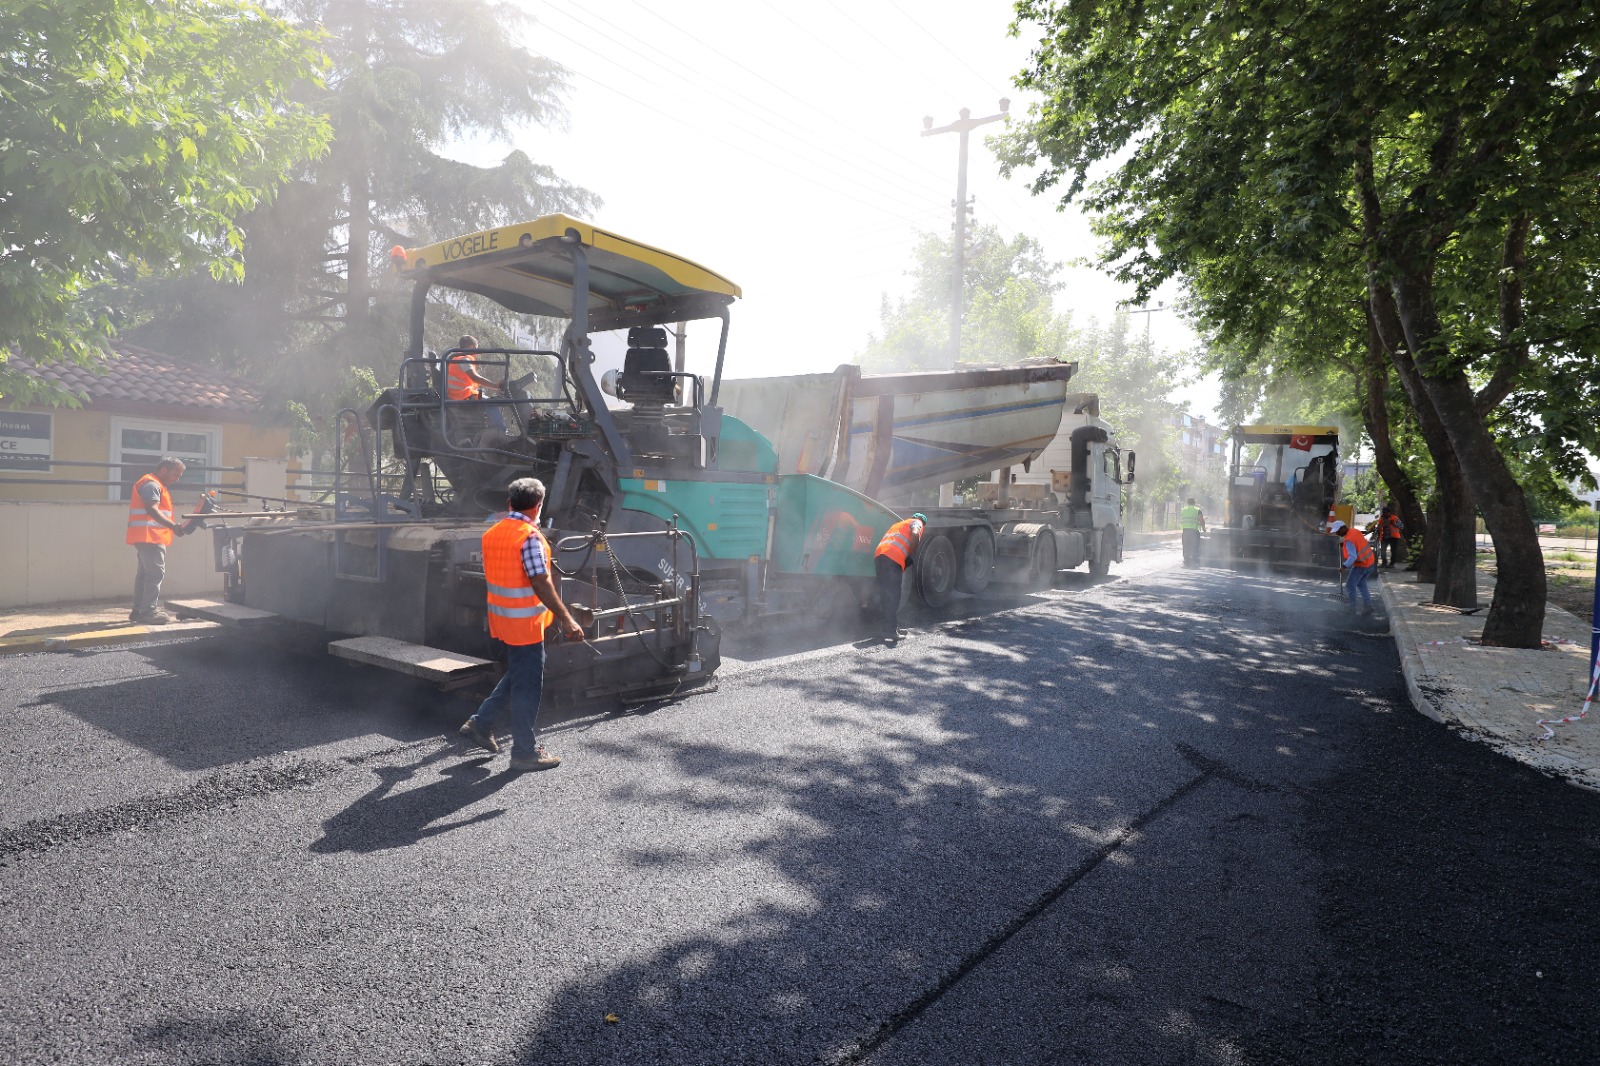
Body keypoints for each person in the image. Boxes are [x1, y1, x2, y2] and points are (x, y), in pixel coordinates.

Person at [457, 477, 587, 771]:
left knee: (521, 672)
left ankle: (481, 723)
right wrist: (568, 619)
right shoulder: (529, 537)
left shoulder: (493, 532)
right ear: (538, 506)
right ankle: (524, 752)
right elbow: (540, 581)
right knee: (528, 685)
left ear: (509, 504)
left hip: (503, 619)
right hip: (525, 623)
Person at [126, 457, 192, 624]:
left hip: (145, 536)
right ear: (164, 469)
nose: (177, 478)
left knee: (144, 575)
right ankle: (148, 612)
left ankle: (138, 611)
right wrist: (173, 526)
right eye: (175, 474)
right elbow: (152, 509)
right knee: (155, 574)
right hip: (150, 537)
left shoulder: (152, 483)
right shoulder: (152, 484)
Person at [873, 511, 926, 644]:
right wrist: (913, 555)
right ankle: (890, 632)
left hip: (880, 556)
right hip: (893, 558)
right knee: (893, 596)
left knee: (886, 595)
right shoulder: (917, 522)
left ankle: (890, 627)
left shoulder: (898, 524)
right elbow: (915, 533)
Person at [446, 334, 507, 432]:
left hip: (458, 394)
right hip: (463, 396)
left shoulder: (455, 358)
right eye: (476, 349)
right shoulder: (463, 359)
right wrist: (496, 386)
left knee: (488, 397)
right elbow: (475, 377)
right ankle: (500, 431)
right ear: (471, 347)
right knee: (491, 402)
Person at [1331, 519, 1378, 616]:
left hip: (1362, 565)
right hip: (1370, 561)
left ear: (1343, 528)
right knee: (1361, 584)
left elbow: (1353, 556)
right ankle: (1368, 606)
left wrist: (1344, 566)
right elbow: (1357, 543)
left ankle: (1351, 608)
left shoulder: (1348, 540)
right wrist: (1343, 544)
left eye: (1338, 531)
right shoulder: (1354, 531)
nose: (1337, 533)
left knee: (1350, 585)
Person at [1178, 497, 1207, 567]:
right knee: (1195, 545)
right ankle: (1194, 561)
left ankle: (1186, 560)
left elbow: (1181, 519)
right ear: (1194, 503)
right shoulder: (1197, 510)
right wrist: (1204, 528)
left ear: (1187, 503)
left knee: (1186, 545)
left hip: (1185, 531)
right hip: (1194, 531)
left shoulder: (1183, 510)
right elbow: (1201, 520)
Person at [1378, 505, 1406, 569]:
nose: (1386, 514)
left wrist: (1394, 524)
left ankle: (1392, 564)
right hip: (1384, 537)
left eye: (1387, 513)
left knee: (1393, 551)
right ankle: (1384, 563)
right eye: (1384, 513)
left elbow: (1401, 526)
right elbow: (1379, 528)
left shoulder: (1395, 518)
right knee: (1382, 550)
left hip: (1394, 537)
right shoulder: (1381, 519)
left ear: (1389, 512)